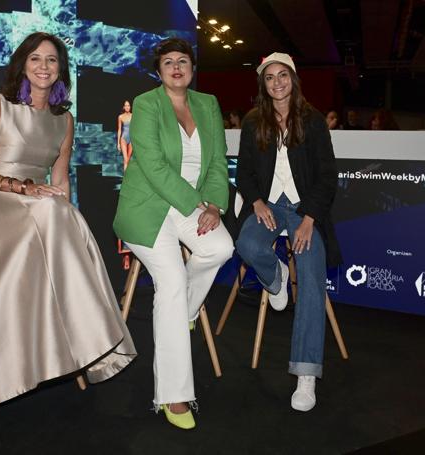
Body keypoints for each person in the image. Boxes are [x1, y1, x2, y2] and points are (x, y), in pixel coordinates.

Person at [0, 32, 136, 409]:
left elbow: (59, 180)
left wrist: (65, 209)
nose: (44, 66)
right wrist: (22, 188)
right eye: (36, 59)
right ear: (23, 65)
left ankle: (78, 341)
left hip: (35, 209)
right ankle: (91, 340)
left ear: (61, 70)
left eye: (52, 60)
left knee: (65, 214)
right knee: (52, 212)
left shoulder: (64, 119)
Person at [113, 38, 234, 430]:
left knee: (221, 247)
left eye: (183, 61)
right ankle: (174, 396)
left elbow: (217, 161)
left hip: (194, 205)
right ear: (159, 70)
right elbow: (151, 163)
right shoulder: (147, 104)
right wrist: (195, 205)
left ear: (193, 68)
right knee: (171, 279)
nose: (177, 67)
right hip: (148, 207)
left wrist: (214, 205)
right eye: (169, 62)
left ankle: (186, 311)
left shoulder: (208, 104)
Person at [234, 52, 342, 412]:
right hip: (269, 205)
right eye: (269, 77)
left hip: (303, 209)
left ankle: (306, 374)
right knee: (247, 243)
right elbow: (245, 172)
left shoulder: (312, 121)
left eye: (283, 75)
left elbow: (328, 176)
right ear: (263, 84)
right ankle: (276, 274)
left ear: (293, 79)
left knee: (311, 274)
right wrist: (257, 202)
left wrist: (310, 217)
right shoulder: (253, 121)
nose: (277, 82)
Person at [117, 100, 133, 169]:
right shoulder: (120, 117)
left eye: (128, 105)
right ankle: (125, 178)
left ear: (130, 107)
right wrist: (118, 143)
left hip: (131, 139)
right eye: (126, 105)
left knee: (128, 160)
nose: (127, 107)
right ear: (123, 107)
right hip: (123, 138)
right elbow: (119, 129)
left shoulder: (133, 116)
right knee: (125, 159)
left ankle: (127, 177)